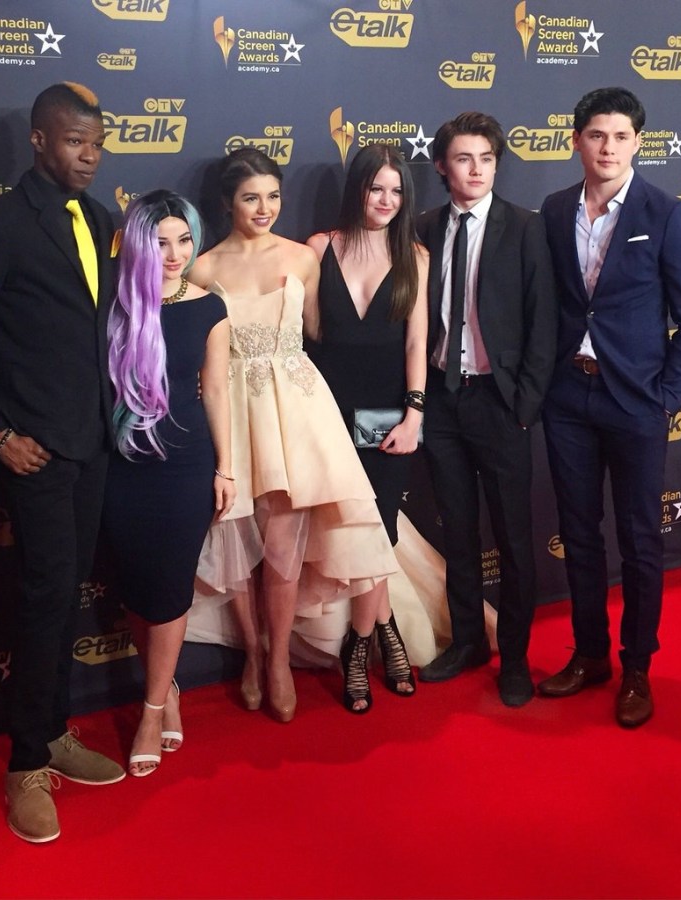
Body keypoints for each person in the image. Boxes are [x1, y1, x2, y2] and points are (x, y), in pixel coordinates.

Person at [0, 83, 124, 843]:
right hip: (34, 451)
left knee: (65, 595)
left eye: (97, 144)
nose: (90, 156)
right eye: (76, 142)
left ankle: (54, 731)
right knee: (45, 598)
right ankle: (25, 765)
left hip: (91, 442)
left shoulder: (98, 219)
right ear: (39, 140)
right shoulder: (0, 225)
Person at [189, 147, 397, 722]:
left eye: (273, 196)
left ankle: (279, 659)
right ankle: (253, 654)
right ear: (227, 202)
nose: (265, 208)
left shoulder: (304, 257)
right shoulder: (200, 269)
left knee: (282, 549)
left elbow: (320, 334)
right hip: (231, 411)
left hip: (296, 412)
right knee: (234, 538)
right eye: (251, 198)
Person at [537, 87, 681, 727]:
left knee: (639, 539)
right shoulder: (556, 210)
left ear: (638, 142)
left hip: (636, 402)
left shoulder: (667, 214)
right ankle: (589, 654)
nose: (607, 148)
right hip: (568, 397)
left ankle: (637, 665)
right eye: (595, 135)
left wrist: (665, 399)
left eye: (619, 136)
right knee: (579, 532)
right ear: (576, 141)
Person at [415, 111, 557, 707]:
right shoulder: (422, 227)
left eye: (487, 159)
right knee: (457, 530)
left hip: (500, 404)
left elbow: (544, 321)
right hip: (442, 400)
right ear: (442, 165)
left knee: (514, 538)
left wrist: (524, 404)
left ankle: (516, 658)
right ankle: (469, 640)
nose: (476, 170)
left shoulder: (525, 227)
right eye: (464, 158)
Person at [102, 191, 234, 776]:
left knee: (171, 588)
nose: (176, 253)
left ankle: (152, 710)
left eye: (184, 240)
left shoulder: (209, 307)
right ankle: (169, 686)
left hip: (185, 466)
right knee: (137, 589)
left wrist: (226, 467)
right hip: (120, 467)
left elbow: (217, 391)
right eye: (160, 243)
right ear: (138, 245)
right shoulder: (112, 306)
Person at [306, 143, 428, 713]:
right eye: (377, 187)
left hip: (387, 417)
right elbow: (308, 334)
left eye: (397, 191)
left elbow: (417, 342)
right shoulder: (318, 249)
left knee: (377, 530)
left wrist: (415, 414)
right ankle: (385, 630)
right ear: (358, 188)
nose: (386, 200)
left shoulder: (415, 257)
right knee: (350, 532)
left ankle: (358, 646)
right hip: (326, 414)